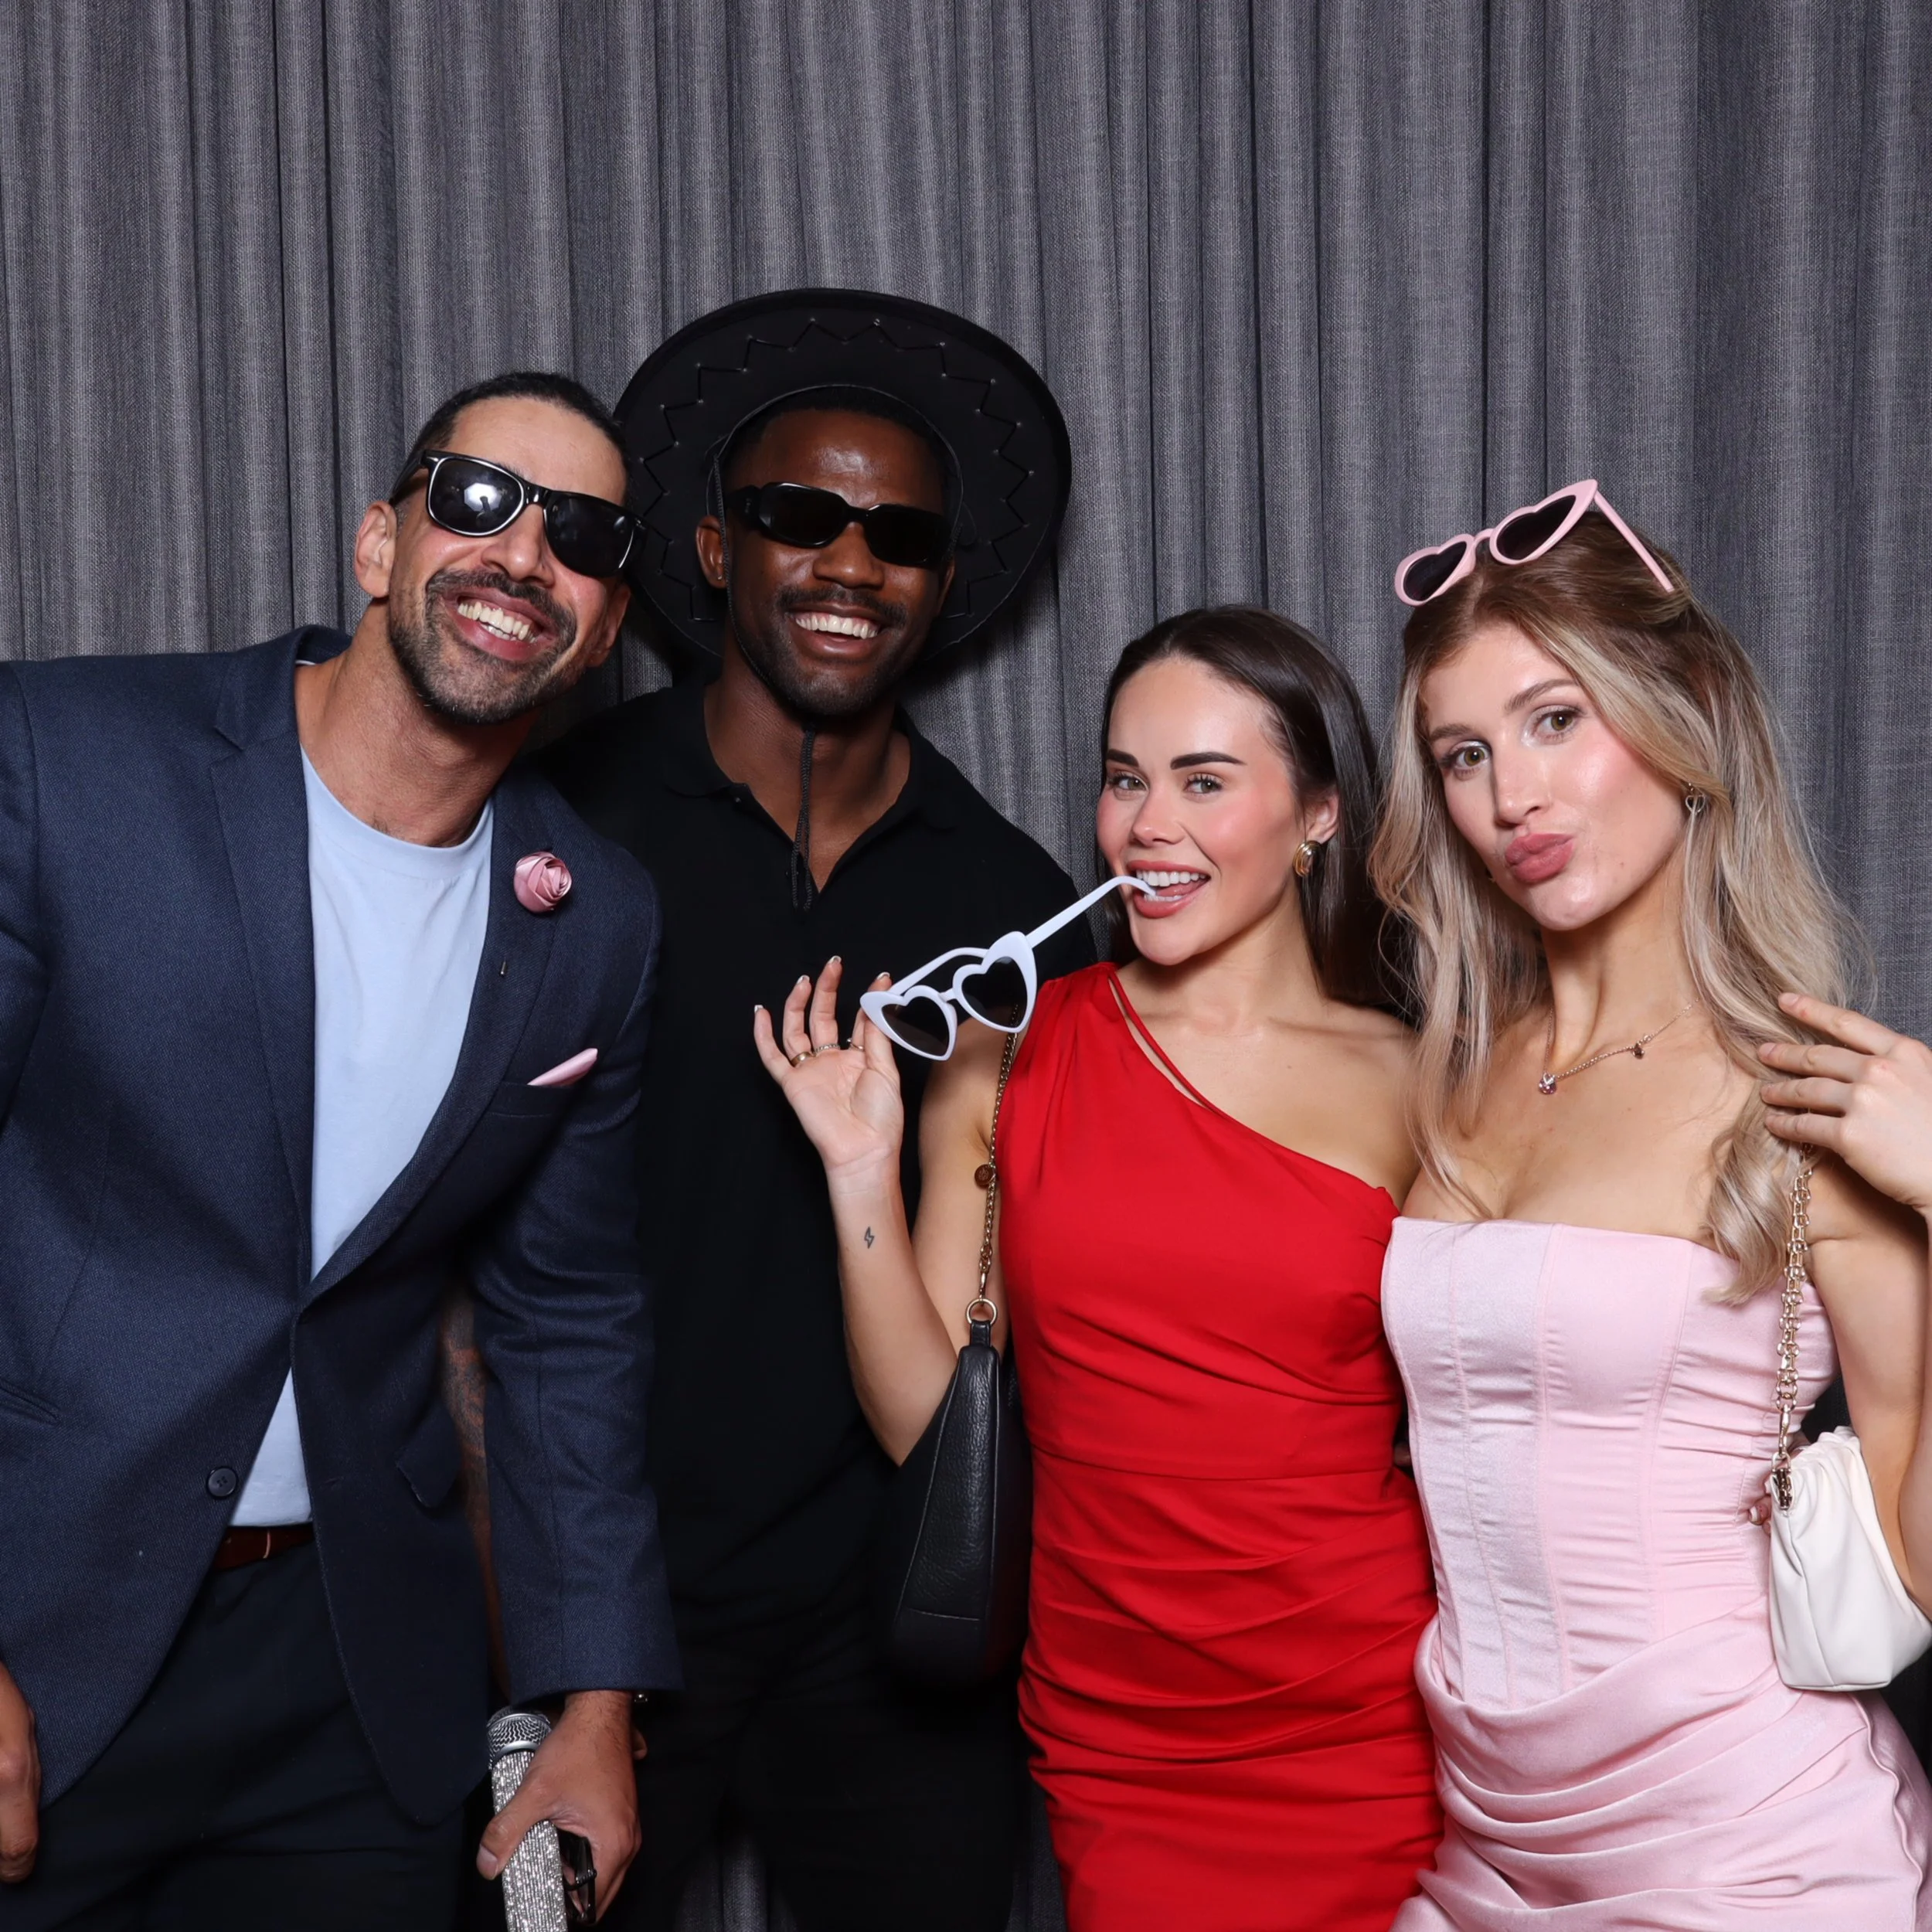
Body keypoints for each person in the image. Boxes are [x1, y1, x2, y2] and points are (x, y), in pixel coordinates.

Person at [0, 370, 679, 1930]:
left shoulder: (599, 916)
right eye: (481, 498)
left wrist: (592, 1694)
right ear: (381, 541)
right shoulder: (64, 760)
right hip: (47, 1623)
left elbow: (567, 1316)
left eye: (580, 535)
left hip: (352, 1684)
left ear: (604, 619)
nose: (524, 554)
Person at [536, 291, 1090, 1932]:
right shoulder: (563, 823)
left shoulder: (1010, 907)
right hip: (604, 1613)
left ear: (941, 586)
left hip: (893, 1631)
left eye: (899, 535)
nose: (851, 564)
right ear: (712, 548)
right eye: (799, 514)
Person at [760, 606, 1444, 1932]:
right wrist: (858, 1170)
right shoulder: (1004, 1051)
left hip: (1363, 1713)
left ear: (1318, 817)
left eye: (1204, 781)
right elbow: (924, 1417)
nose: (1148, 825)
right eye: (1126, 779)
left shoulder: (1422, 1081)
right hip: (1121, 1732)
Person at [1370, 483, 1932, 1927]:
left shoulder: (1806, 1098)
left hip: (1749, 1843)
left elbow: (1921, 1564)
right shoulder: (1444, 1081)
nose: (1514, 797)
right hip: (1483, 1838)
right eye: (1465, 753)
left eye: (1560, 721)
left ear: (1681, 720)